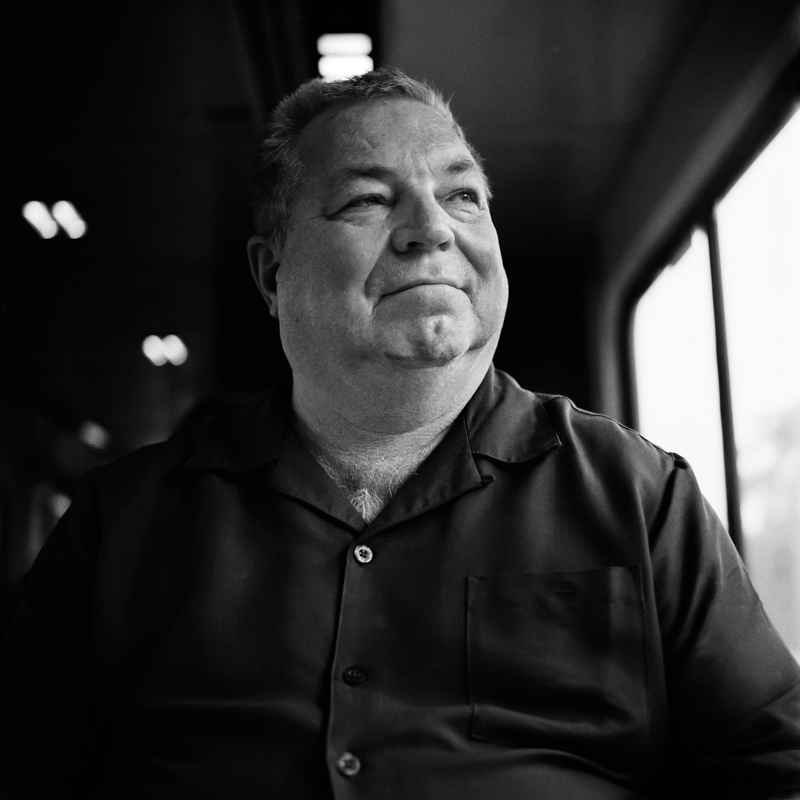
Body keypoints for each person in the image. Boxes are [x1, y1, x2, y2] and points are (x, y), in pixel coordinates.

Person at [1, 67, 798, 800]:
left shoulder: (641, 497)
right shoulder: (119, 524)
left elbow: (775, 769)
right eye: (367, 201)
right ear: (272, 274)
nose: (431, 230)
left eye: (463, 196)